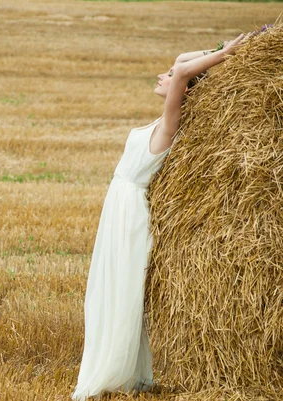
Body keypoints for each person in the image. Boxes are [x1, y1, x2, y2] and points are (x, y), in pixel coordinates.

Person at [71, 33, 245, 400]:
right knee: (104, 289)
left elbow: (182, 69)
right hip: (117, 207)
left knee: (120, 289)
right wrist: (219, 50)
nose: (162, 75)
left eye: (166, 76)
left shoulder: (170, 123)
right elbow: (183, 60)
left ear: (179, 89)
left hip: (129, 213)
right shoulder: (161, 119)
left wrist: (222, 55)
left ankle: (111, 373)